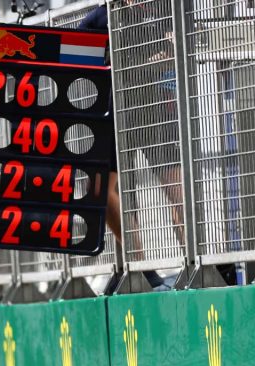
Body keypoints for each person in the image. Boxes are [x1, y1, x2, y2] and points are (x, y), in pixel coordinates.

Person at [79, 2, 185, 289]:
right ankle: (140, 268)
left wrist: (163, 56)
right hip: (115, 115)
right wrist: (106, 63)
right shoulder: (100, 17)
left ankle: (194, 263)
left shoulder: (161, 10)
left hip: (155, 113)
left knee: (179, 189)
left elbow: (177, 49)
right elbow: (73, 56)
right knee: (103, 190)